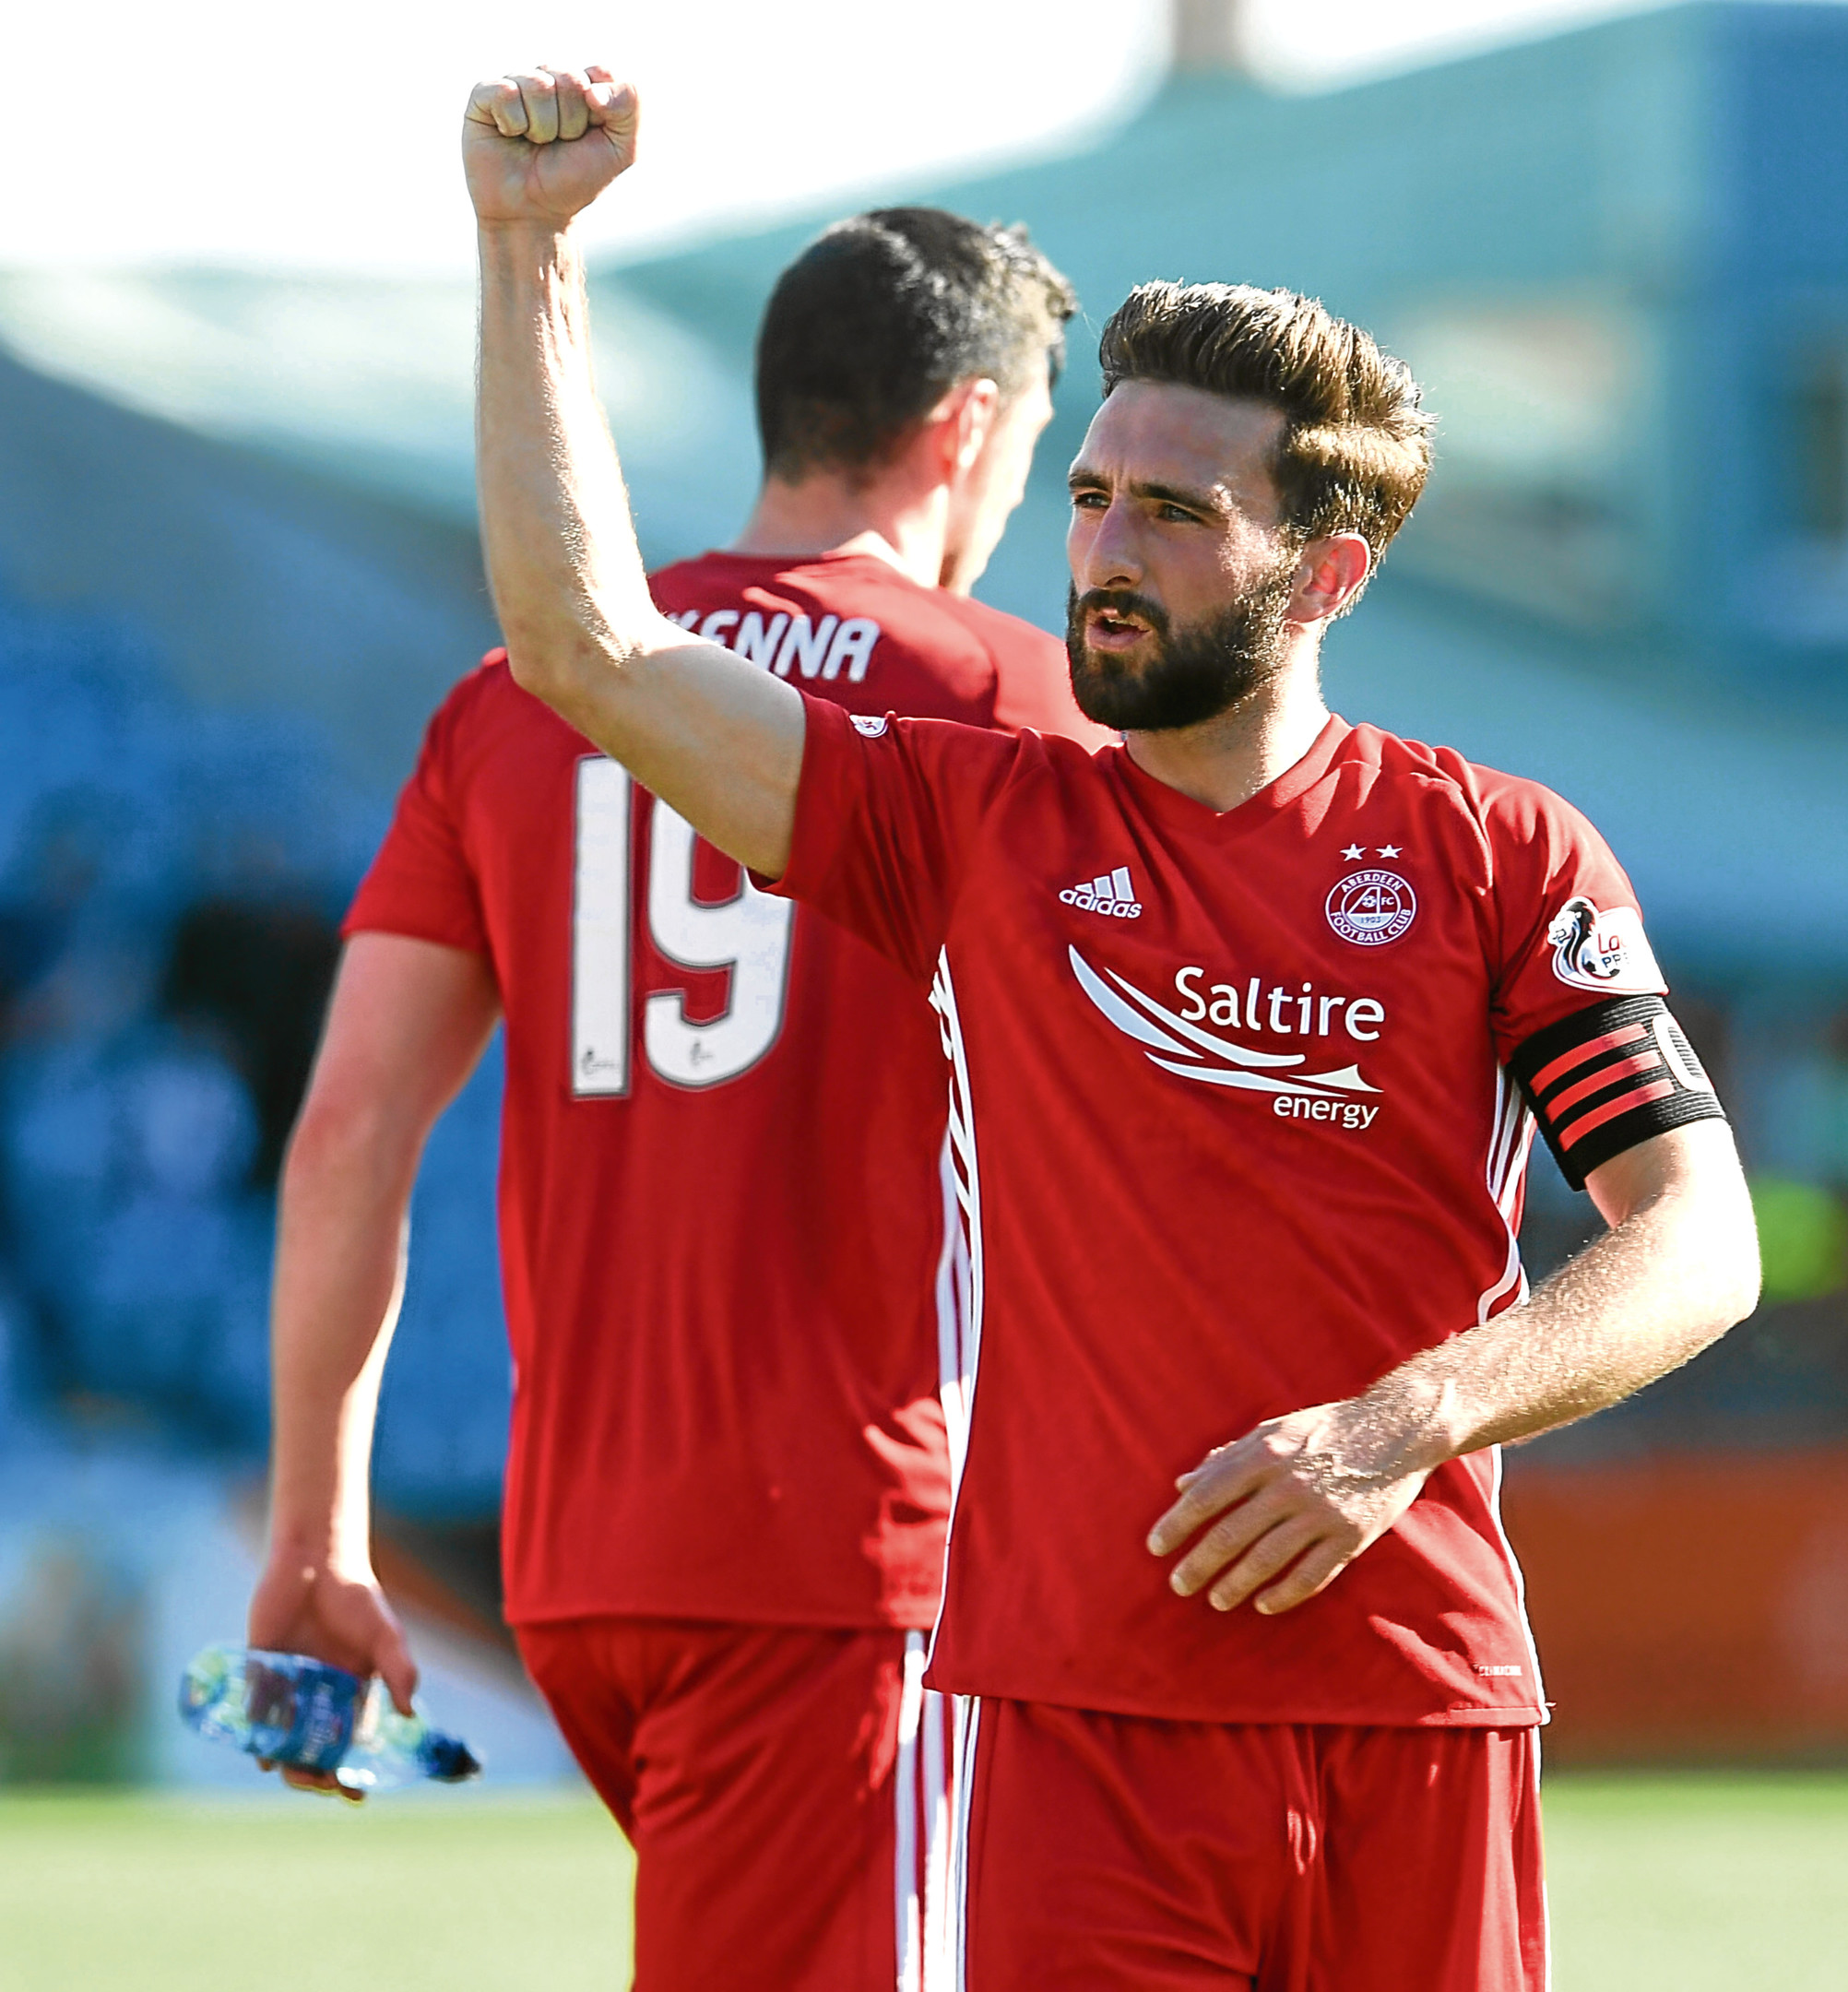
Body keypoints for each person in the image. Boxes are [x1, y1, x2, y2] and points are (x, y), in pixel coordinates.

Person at [464, 65, 1760, 1992]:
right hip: (1068, 1731)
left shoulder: (1491, 851)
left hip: (1419, 1714)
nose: (1100, 549)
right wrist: (526, 251)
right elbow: (587, 648)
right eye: (1084, 498)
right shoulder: (967, 822)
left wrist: (1403, 1421)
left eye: (1171, 510)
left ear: (1325, 570)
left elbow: (1699, 1240)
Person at [247, 157, 1101, 1990]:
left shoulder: (507, 706)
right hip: (842, 1552)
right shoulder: (1009, 703)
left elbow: (348, 1128)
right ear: (963, 428)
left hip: (589, 1558)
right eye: (1036, 442)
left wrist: (317, 1523)